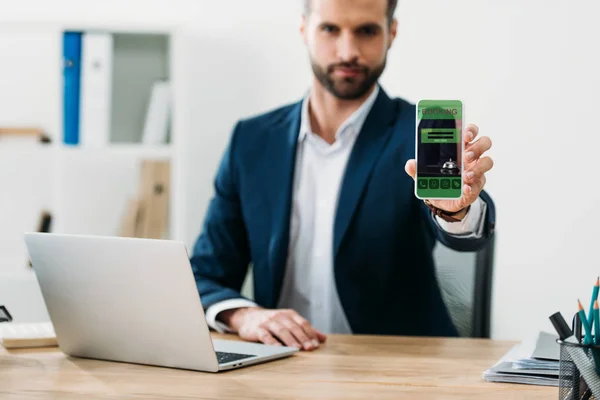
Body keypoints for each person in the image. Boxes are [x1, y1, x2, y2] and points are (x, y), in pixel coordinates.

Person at [189, 0, 495, 352]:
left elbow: (467, 235)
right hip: (282, 368)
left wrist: (456, 211)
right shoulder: (253, 141)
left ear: (391, 33)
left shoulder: (417, 134)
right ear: (304, 29)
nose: (348, 51)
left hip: (400, 372)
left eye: (366, 31)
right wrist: (244, 316)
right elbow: (205, 274)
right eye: (330, 29)